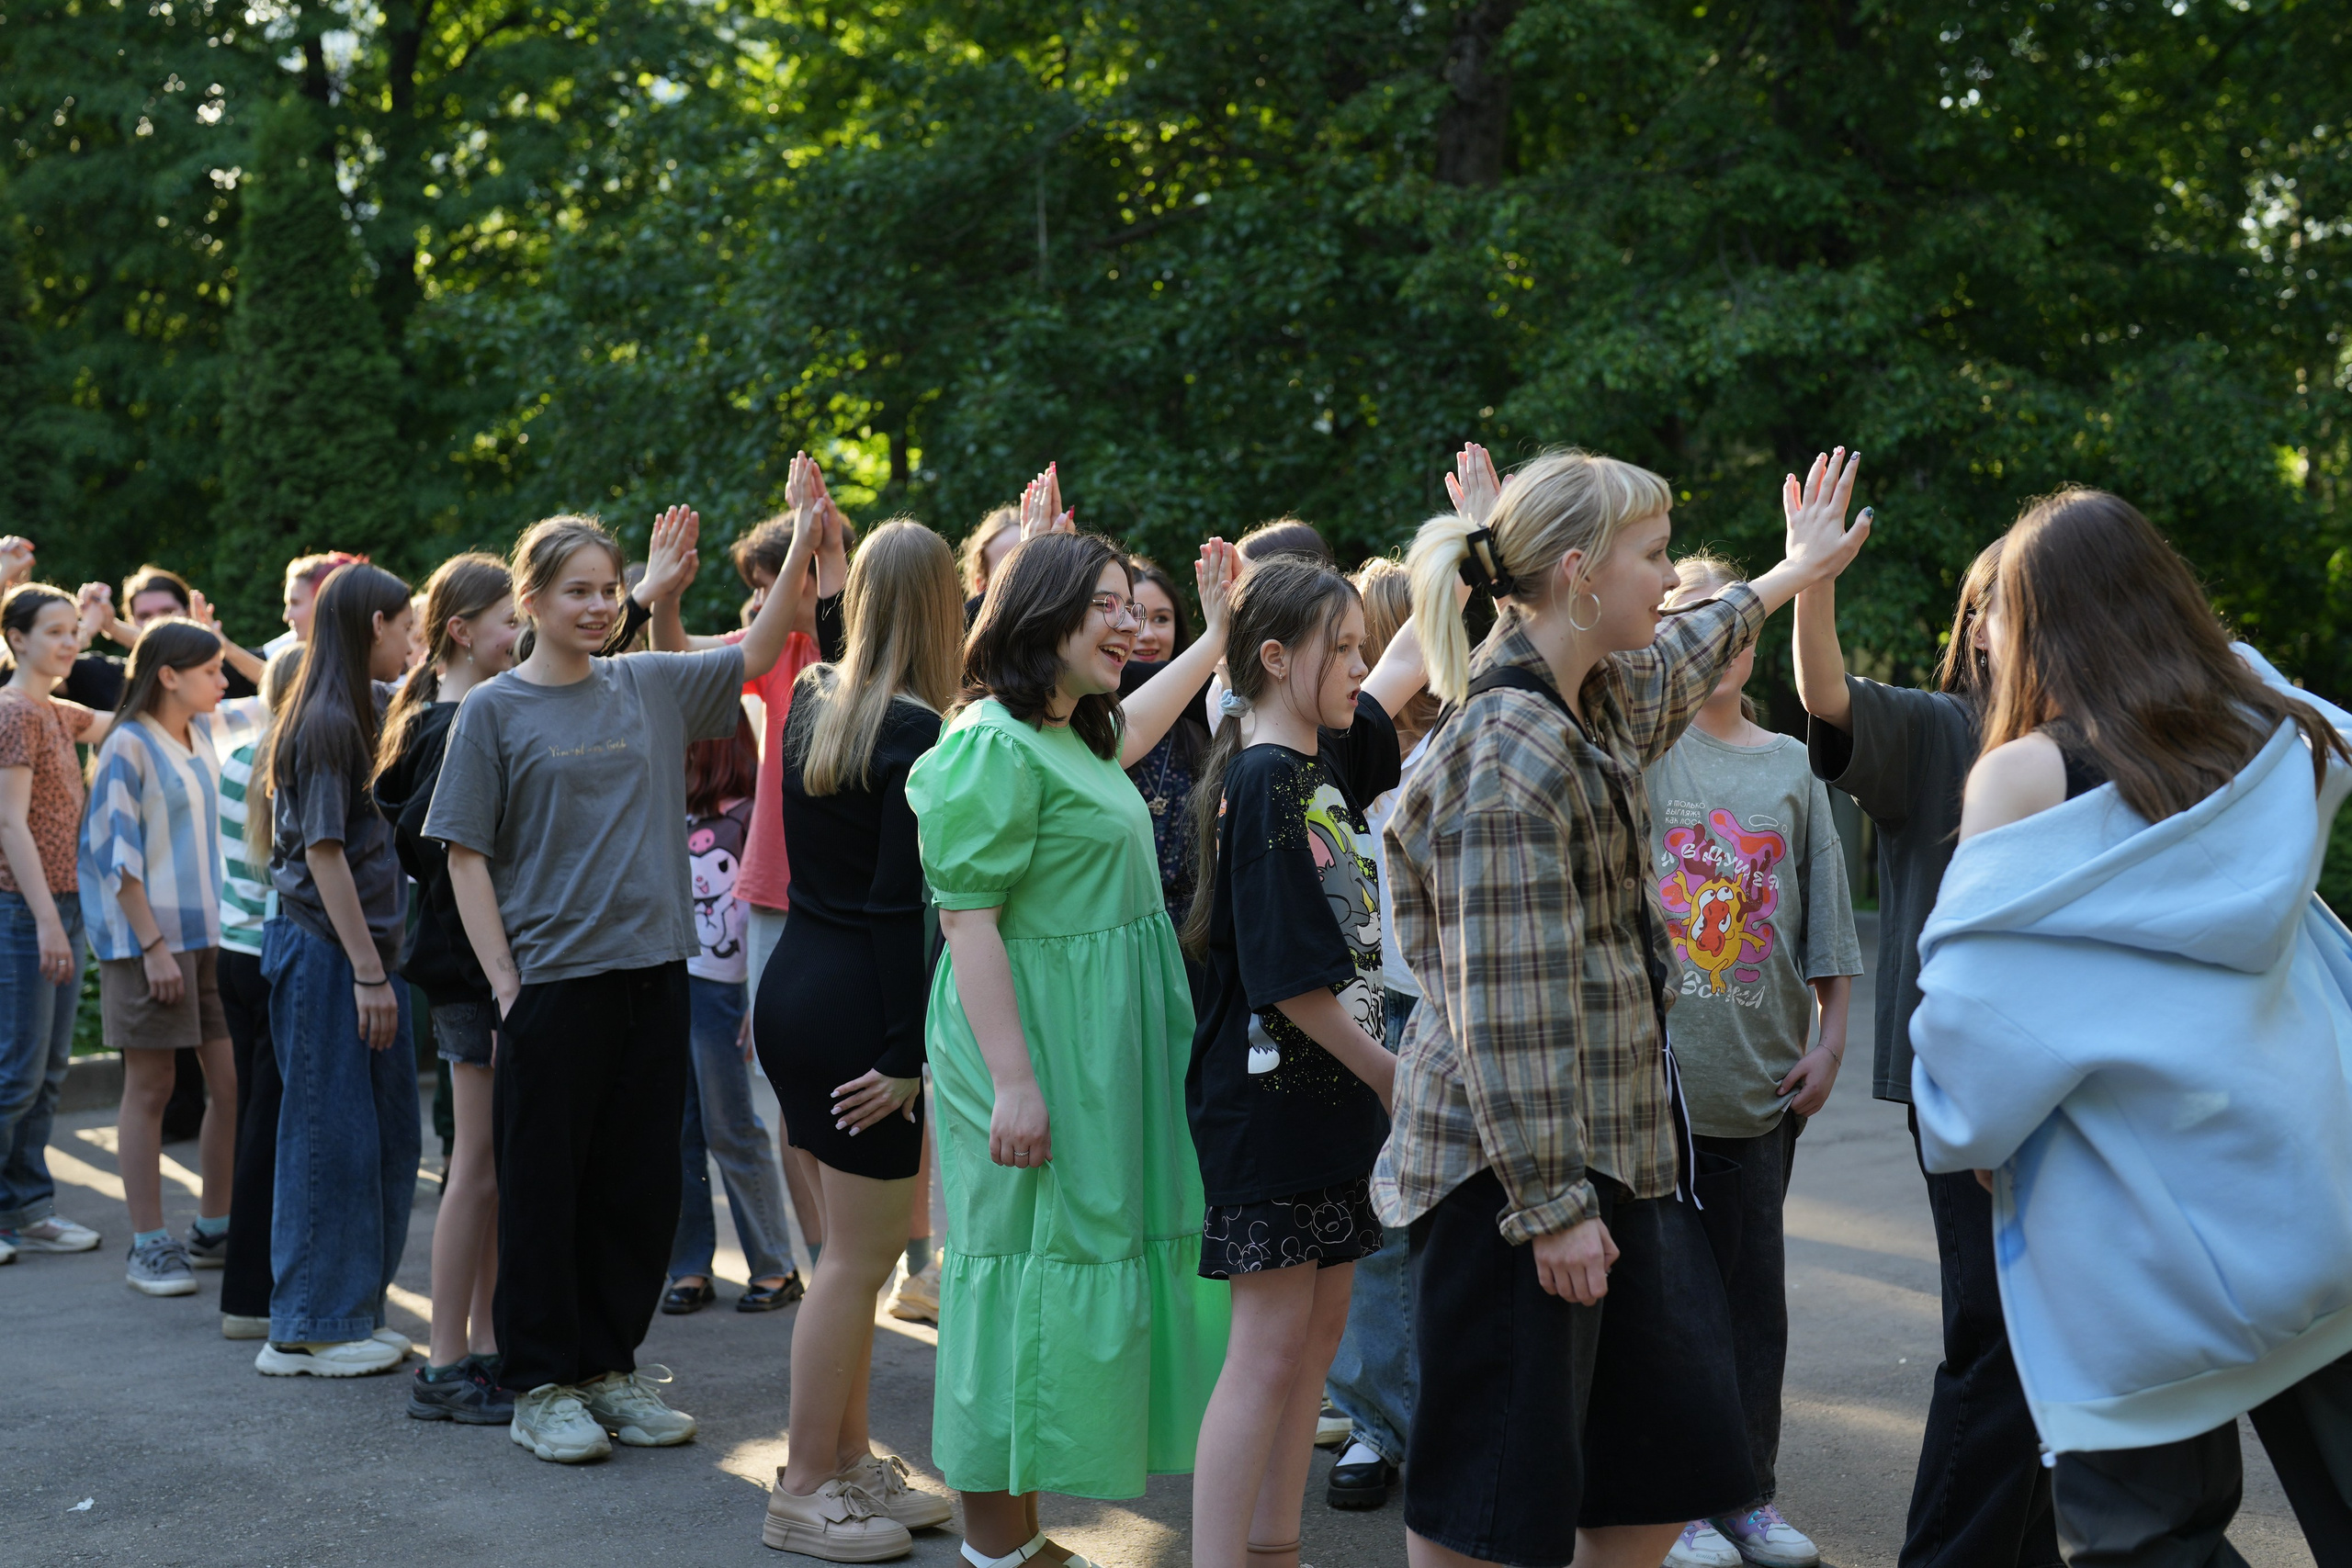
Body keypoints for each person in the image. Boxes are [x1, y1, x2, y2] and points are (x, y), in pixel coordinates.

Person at [1375, 445, 1868, 1568]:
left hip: (1618, 1156)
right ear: (1581, 571)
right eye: (1654, 557)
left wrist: (1791, 575)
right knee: (1491, 1501)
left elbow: (1691, 651)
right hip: (1517, 1176)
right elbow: (1506, 1011)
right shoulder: (1509, 751)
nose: (1671, 582)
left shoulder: (1592, 695)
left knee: (1656, 1474)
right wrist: (1549, 1205)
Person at [1909, 489, 2352, 1564]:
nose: (1987, 638)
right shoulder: (2264, 733)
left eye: (2001, 611)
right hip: (2308, 1186)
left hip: (2133, 1239)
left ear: (2051, 621)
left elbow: (1969, 1025)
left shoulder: (2025, 773)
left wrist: (1964, 1133)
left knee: (2143, 1537)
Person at [428, 481, 827, 1465]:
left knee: (635, 1188)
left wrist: (811, 531)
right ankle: (539, 1385)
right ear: (530, 601)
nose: (600, 606)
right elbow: (463, 854)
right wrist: (507, 984)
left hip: (657, 972)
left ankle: (609, 1370)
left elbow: (762, 648)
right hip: (551, 985)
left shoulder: (647, 680)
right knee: (544, 1190)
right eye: (578, 591)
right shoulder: (492, 710)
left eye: (610, 588)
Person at [905, 509, 1238, 1568]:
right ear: (1040, 616)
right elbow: (968, 924)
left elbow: (1134, 728)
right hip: (1037, 1044)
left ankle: (1019, 1537)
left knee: (1069, 1263)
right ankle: (995, 1546)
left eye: (1127, 607)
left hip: (1095, 1045)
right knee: (1021, 1274)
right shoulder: (988, 746)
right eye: (1101, 608)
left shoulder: (1071, 733)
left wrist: (1217, 634)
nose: (1124, 624)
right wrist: (1014, 1082)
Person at [1791, 496, 2055, 1568]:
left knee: (2042, 1341)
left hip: (2070, 1078)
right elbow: (1823, 695)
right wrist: (1813, 581)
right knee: (1992, 1337)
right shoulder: (1940, 730)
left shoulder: (2086, 736)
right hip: (1963, 1076)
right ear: (1976, 623)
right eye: (2006, 601)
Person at [1182, 557, 1430, 1568]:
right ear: (1277, 659)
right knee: (1269, 1349)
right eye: (1344, 648)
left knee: (1318, 1337)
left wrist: (1466, 539)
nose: (1362, 666)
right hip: (1273, 1109)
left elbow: (1413, 657)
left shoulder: (1321, 760)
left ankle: (1274, 1545)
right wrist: (1386, 1072)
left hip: (1331, 1106)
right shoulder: (1261, 779)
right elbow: (1286, 981)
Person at [1643, 554, 1861, 1568]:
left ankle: (1745, 1497)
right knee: (1666, 1308)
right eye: (1694, 620)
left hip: (1763, 1084)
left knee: (1748, 1308)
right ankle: (1671, 1505)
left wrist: (1829, 1044)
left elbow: (1827, 922)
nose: (1718, 643)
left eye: (1733, 624)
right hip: (1654, 1091)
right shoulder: (1640, 750)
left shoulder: (1788, 766)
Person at [758, 519, 964, 1559]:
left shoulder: (812, 700)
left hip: (791, 986)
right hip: (859, 1014)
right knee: (857, 1259)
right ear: (942, 608)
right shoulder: (921, 732)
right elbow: (898, 910)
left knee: (850, 1252)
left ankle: (844, 1460)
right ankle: (801, 1485)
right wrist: (905, 1056)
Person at [652, 498, 851, 1284]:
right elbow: (679, 654)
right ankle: (822, 1259)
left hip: (852, 893)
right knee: (788, 1086)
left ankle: (887, 1255)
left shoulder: (860, 645)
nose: (764, 597)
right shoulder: (780, 650)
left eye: (774, 580)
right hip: (775, 890)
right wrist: (665, 591)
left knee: (866, 1079)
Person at [250, 562, 420, 1377]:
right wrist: (366, 971)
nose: (413, 640)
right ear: (372, 625)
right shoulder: (324, 719)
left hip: (360, 956)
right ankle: (309, 1323)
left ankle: (348, 1310)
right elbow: (322, 854)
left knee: (383, 1136)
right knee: (328, 1137)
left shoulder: (368, 706)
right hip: (327, 953)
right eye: (406, 626)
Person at [78, 617, 266, 1296]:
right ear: (169, 675)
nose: (225, 680)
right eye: (212, 669)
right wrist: (154, 947)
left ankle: (213, 1226)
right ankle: (149, 1244)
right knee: (152, 1086)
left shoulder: (215, 727)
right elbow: (114, 855)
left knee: (233, 1084)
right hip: (147, 942)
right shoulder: (127, 743)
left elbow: (283, 687)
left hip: (216, 936)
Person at [374, 552, 520, 1417]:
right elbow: (441, 852)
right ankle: (446, 1363)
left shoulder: (457, 712)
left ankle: (486, 1348)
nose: (520, 633)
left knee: (489, 1166)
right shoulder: (451, 723)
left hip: (478, 969)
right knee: (473, 1165)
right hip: (472, 976)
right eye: (507, 619)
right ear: (461, 631)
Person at [1320, 554, 1443, 1512]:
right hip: (1375, 1009)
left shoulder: (1469, 738)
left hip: (1461, 1007)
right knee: (1381, 1231)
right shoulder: (1346, 750)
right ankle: (1372, 1425)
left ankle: (1449, 1418)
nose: (1359, 663)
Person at [665, 711, 799, 1315]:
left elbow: (768, 912)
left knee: (731, 1126)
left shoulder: (750, 814)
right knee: (678, 1133)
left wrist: (757, 995)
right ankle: (690, 1264)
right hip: (674, 986)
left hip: (725, 992)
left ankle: (773, 1262)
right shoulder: (680, 813)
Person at [0, 584, 115, 1261]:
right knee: (15, 1071)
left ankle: (27, 1206)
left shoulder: (55, 710)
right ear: (16, 638)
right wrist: (45, 917)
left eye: (74, 630)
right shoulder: (13, 713)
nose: (70, 642)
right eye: (54, 631)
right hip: (24, 906)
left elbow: (129, 716)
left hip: (63, 902)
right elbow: (9, 824)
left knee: (46, 1072)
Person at [215, 651, 298, 1339]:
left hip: (233, 953)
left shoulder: (238, 753)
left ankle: (248, 1291)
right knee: (273, 1128)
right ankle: (250, 1296)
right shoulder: (287, 759)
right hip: (273, 953)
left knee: (256, 1121)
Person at [266, 551, 368, 659]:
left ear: (326, 602)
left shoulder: (366, 664)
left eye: (295, 603)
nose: (286, 617)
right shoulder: (291, 643)